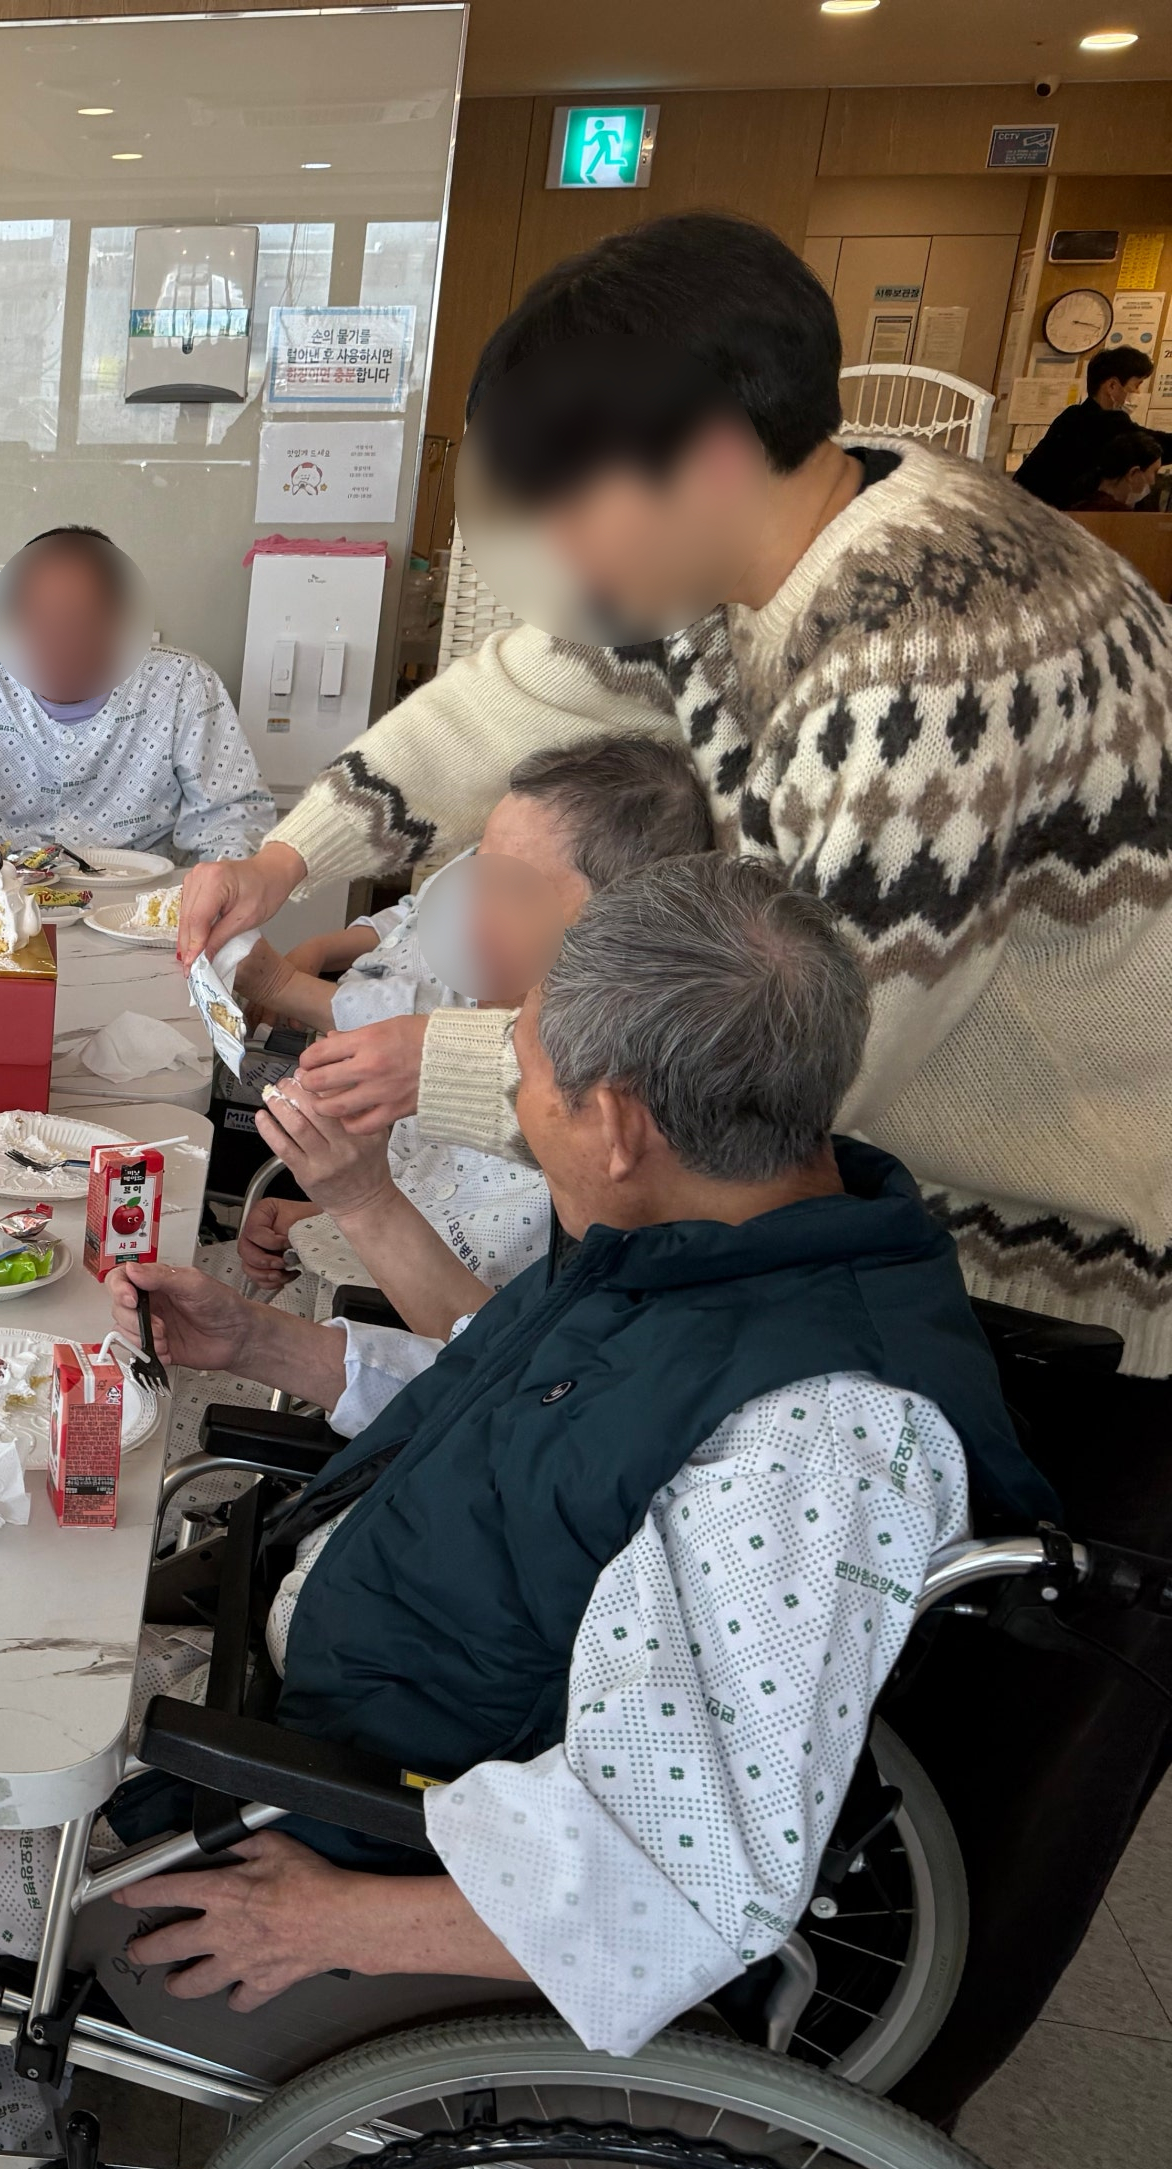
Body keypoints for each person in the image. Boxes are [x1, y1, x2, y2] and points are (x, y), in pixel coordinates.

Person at [0, 857, 1055, 2169]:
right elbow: (528, 1415)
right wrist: (265, 1341)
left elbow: (693, 1867)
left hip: (356, 1816)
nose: (515, 1105)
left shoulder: (818, 1437)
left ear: (619, 1122)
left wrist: (336, 1920)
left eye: (526, 1076)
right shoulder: (720, 1233)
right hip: (339, 1676)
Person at [174, 211, 1172, 1378]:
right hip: (902, 1214)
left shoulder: (927, 658)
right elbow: (507, 698)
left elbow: (792, 1059)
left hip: (1066, 1261)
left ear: (714, 456)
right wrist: (282, 861)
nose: (562, 554)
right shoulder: (762, 540)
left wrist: (441, 1062)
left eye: (571, 508)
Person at [231, 734, 714, 1305]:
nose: (469, 921)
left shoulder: (587, 1127)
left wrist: (357, 1206)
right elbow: (421, 1193)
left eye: (518, 894)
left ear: (622, 928)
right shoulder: (477, 1013)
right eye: (480, 879)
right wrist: (324, 1215)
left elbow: (488, 1341)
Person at [0, 524, 275, 861]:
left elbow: (232, 818)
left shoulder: (183, 685)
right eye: (38, 617)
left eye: (76, 618)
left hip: (139, 894)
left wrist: (220, 884)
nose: (56, 638)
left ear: (117, 619)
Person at [1013, 344, 1156, 510]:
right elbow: (1155, 445)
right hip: (1036, 511)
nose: (1138, 393)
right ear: (1112, 386)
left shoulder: (1075, 415)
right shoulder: (1102, 421)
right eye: (1137, 385)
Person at [1076, 423, 1163, 512]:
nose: (1153, 482)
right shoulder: (1119, 514)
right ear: (1133, 473)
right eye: (1154, 472)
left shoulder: (1081, 505)